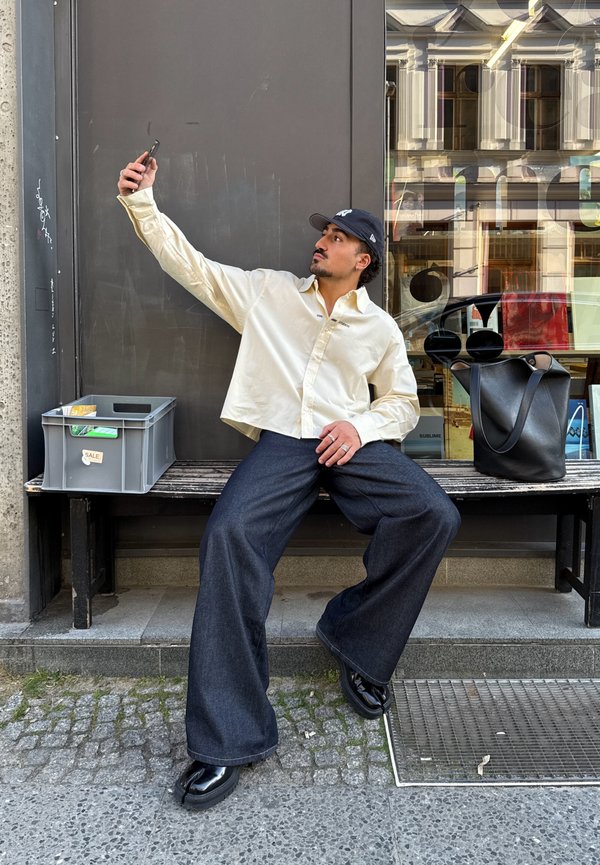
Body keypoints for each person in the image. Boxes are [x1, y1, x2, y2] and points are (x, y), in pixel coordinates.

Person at [117, 151, 460, 811]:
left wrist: (359, 426)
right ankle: (226, 739)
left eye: (335, 237)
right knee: (229, 535)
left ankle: (359, 640)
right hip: (283, 441)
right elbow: (189, 265)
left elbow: (403, 404)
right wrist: (141, 202)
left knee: (433, 514)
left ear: (362, 259)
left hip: (348, 442)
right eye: (322, 233)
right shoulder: (270, 293)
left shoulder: (379, 328)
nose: (320, 242)